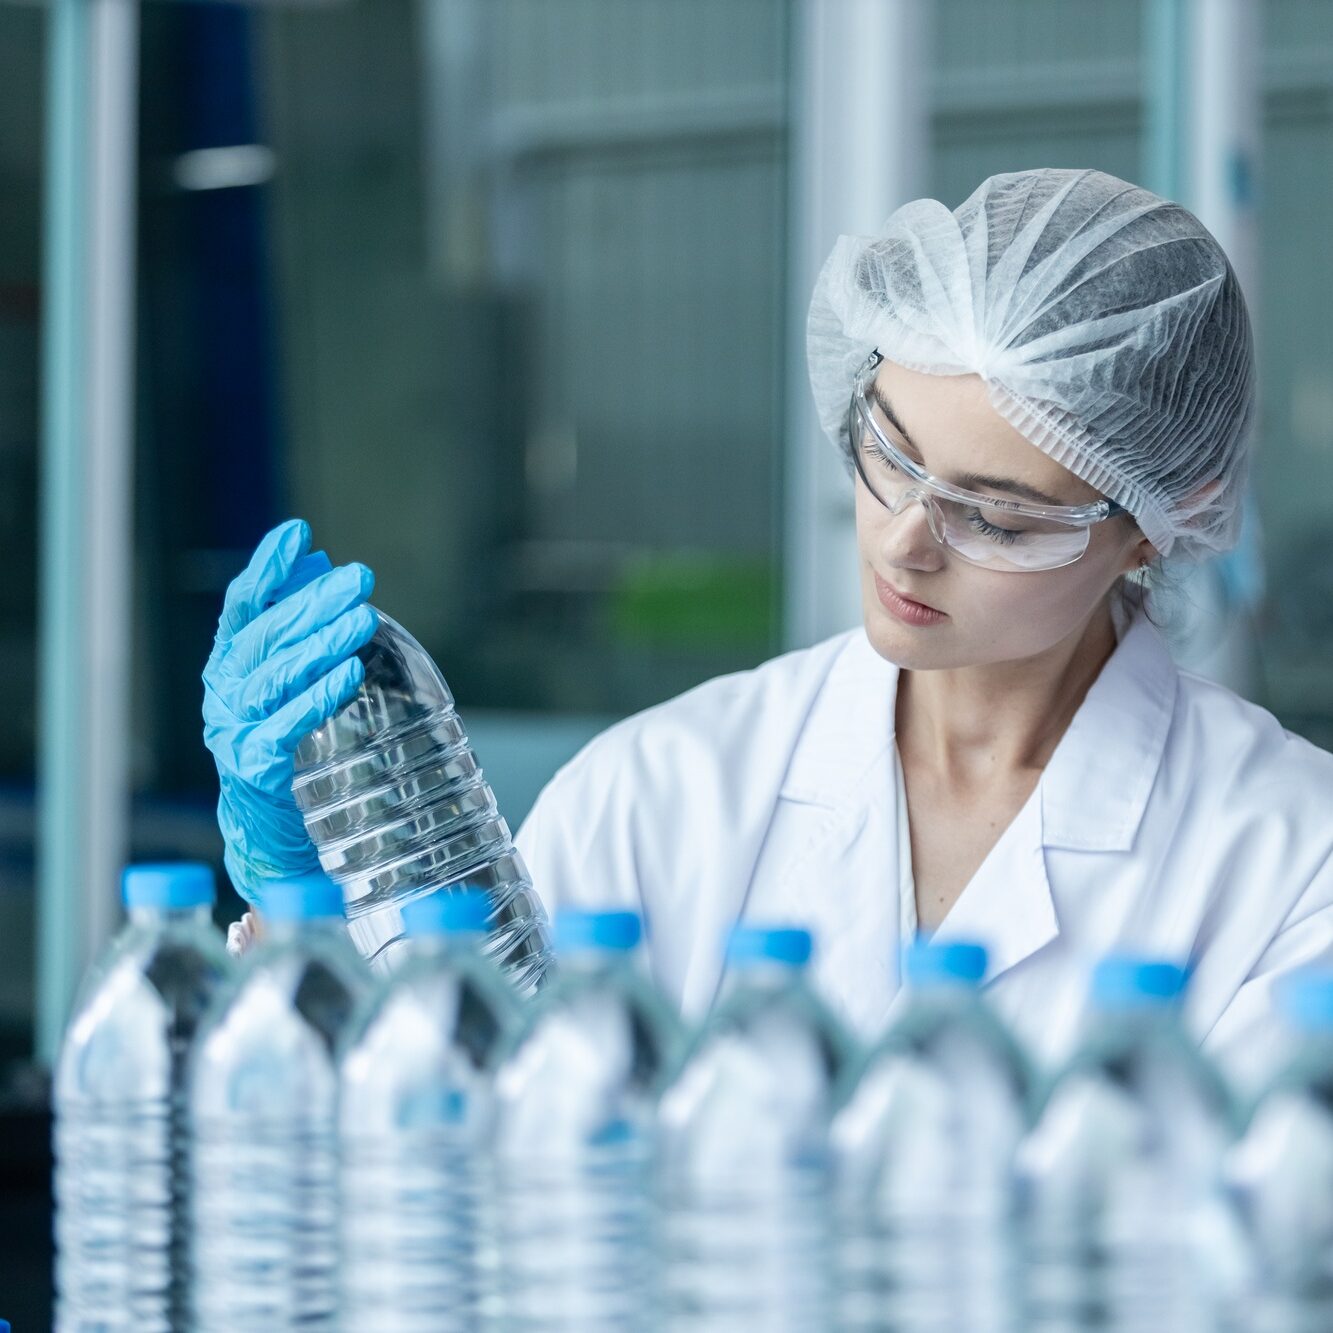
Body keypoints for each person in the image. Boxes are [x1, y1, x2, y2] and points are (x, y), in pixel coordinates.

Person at [203, 169, 1333, 1086]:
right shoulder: (664, 789)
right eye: (889, 455)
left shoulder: (1288, 856)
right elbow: (455, 1130)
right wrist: (299, 910)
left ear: (1147, 527)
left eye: (993, 515)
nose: (904, 542)